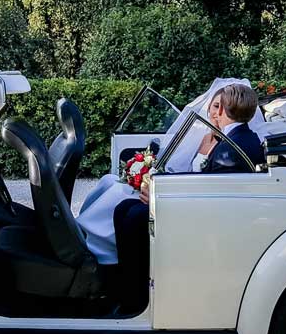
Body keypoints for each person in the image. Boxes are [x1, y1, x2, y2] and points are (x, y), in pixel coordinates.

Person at [111, 83, 265, 310]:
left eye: (215, 106)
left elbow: (211, 193)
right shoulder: (241, 139)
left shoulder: (229, 149)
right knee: (125, 208)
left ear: (221, 109)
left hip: (211, 218)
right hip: (211, 207)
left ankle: (135, 296)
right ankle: (126, 285)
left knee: (133, 217)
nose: (212, 112)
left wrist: (158, 197)